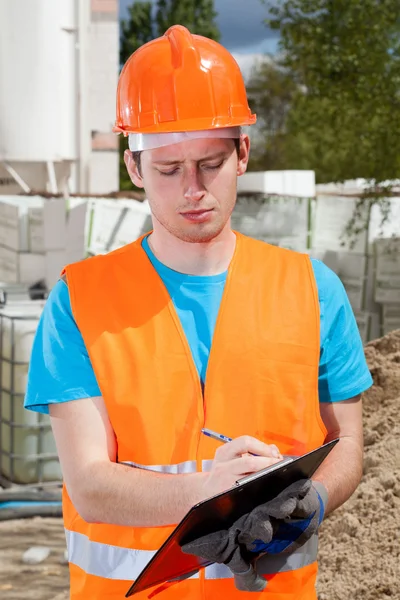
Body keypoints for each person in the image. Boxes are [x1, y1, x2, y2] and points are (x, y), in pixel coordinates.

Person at [24, 24, 372, 600]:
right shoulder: (80, 299)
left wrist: (311, 500)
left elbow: (348, 445)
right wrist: (214, 492)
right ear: (134, 169)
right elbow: (88, 484)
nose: (192, 190)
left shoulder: (314, 290)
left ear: (242, 154)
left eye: (209, 163)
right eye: (168, 169)